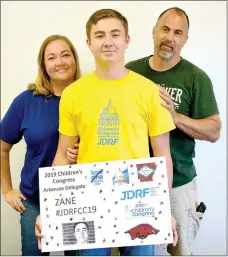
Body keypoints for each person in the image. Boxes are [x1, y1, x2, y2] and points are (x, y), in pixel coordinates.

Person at [35, 8, 178, 256]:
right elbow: (61, 155)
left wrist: (164, 209)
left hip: (140, 204)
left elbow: (163, 154)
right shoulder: (73, 94)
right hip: (89, 204)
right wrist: (49, 210)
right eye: (100, 35)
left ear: (127, 40)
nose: (108, 41)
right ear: (89, 43)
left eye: (115, 34)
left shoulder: (149, 91)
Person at [125, 7, 221, 256]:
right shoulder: (130, 71)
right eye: (165, 29)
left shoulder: (195, 77)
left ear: (185, 39)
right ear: (154, 32)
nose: (170, 37)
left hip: (177, 184)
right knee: (129, 249)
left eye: (178, 32)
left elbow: (214, 131)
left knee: (179, 250)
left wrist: (175, 118)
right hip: (130, 182)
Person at [0, 35, 81, 256]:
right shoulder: (27, 101)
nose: (60, 62)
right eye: (51, 57)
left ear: (75, 59)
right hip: (35, 199)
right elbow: (2, 146)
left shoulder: (90, 98)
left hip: (81, 201)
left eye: (66, 54)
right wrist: (7, 190)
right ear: (44, 65)